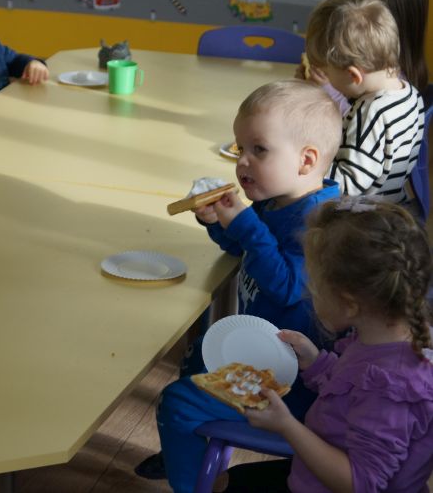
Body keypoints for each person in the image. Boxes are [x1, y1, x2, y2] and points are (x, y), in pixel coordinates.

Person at [135, 80, 343, 492]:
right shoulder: (276, 199)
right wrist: (219, 223)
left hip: (293, 385)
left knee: (177, 403)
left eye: (258, 150)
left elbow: (285, 286)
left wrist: (245, 223)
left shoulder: (320, 225)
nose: (242, 162)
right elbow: (242, 248)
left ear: (306, 161)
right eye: (239, 148)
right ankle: (195, 452)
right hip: (259, 355)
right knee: (197, 356)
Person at [221, 199, 433, 492]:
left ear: (350, 304)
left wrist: (286, 425)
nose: (309, 294)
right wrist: (317, 363)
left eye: (315, 287)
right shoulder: (385, 336)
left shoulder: (392, 386)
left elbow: (361, 483)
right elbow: (354, 390)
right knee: (226, 482)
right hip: (312, 474)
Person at [305, 0, 424, 206]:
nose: (327, 79)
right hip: (390, 204)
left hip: (361, 214)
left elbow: (348, 184)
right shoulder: (411, 94)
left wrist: (310, 163)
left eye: (327, 73)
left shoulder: (370, 113)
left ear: (353, 75)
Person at [299, 0, 429, 112]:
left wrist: (329, 91)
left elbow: (358, 120)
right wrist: (310, 85)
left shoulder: (393, 87)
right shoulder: (381, 75)